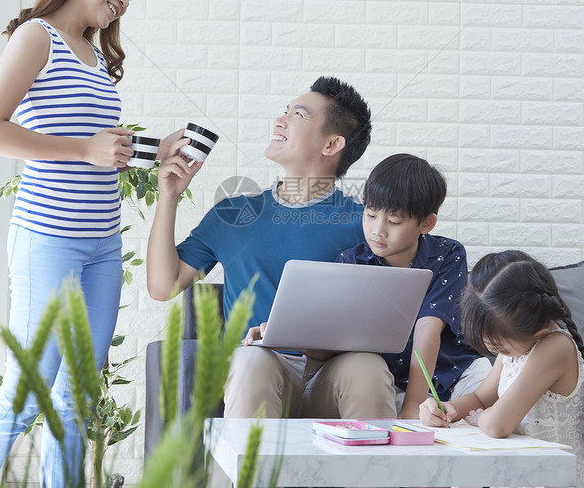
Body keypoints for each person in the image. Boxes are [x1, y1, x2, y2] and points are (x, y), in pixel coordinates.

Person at [0, 0, 179, 487]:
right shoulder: (36, 37)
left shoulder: (94, 54)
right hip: (48, 239)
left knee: (75, 397)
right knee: (27, 391)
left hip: (103, 245)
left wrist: (152, 152)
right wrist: (87, 149)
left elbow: (95, 149)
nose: (126, 0)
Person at [147, 76, 397, 419]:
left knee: (368, 368)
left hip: (332, 372)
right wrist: (169, 197)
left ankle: (373, 469)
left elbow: (386, 313)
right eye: (284, 112)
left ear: (331, 145)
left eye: (298, 115)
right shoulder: (232, 214)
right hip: (258, 365)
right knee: (251, 362)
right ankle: (250, 474)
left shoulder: (365, 224)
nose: (280, 121)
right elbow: (163, 286)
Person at [420, 250, 584, 488]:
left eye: (499, 345)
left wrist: (483, 418)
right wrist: (448, 409)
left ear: (537, 331)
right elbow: (482, 397)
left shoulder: (554, 346)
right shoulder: (516, 349)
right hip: (523, 470)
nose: (496, 352)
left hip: (551, 476)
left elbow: (496, 424)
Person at [334, 153, 491, 420]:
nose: (378, 231)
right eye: (370, 215)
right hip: (393, 380)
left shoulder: (448, 254)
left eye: (394, 222)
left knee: (493, 408)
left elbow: (428, 326)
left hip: (457, 371)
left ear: (426, 223)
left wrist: (413, 406)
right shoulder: (351, 262)